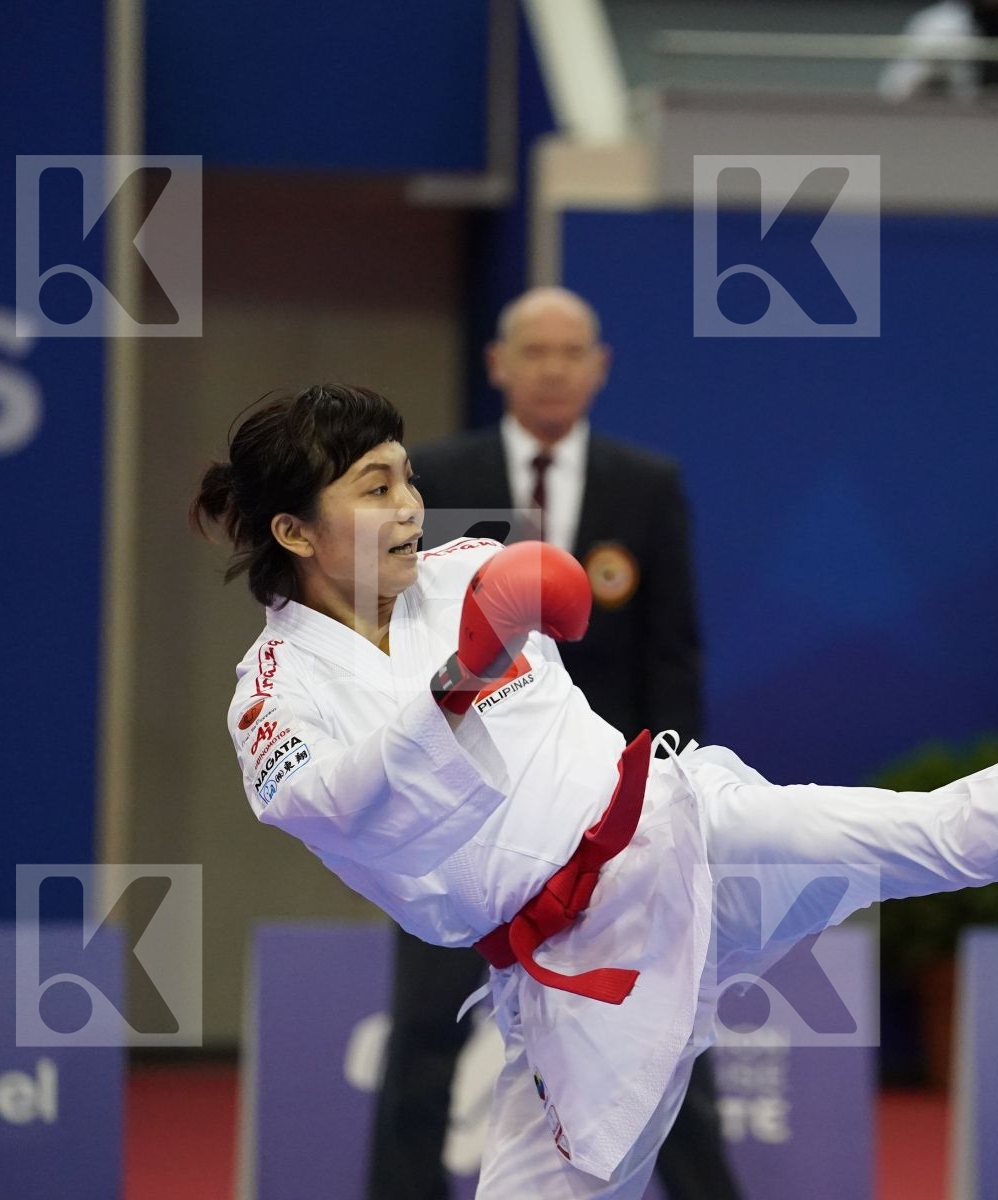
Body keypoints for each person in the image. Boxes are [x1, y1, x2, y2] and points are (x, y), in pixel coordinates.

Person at [195, 384, 998, 1199]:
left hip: (682, 826)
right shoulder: (272, 697)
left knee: (925, 830)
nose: (407, 509)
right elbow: (341, 798)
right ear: (294, 529)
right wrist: (457, 682)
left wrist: (490, 626)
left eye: (405, 480)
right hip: (570, 968)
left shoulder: (462, 572)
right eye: (372, 489)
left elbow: (519, 604)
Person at [368, 287, 731, 1200]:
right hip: (465, 823)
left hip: (613, 825)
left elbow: (672, 656)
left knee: (661, 1028)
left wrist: (667, 797)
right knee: (422, 1033)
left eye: (573, 353)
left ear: (600, 368)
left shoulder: (645, 486)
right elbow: (404, 641)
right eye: (536, 351)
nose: (555, 369)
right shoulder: (438, 480)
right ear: (499, 363)